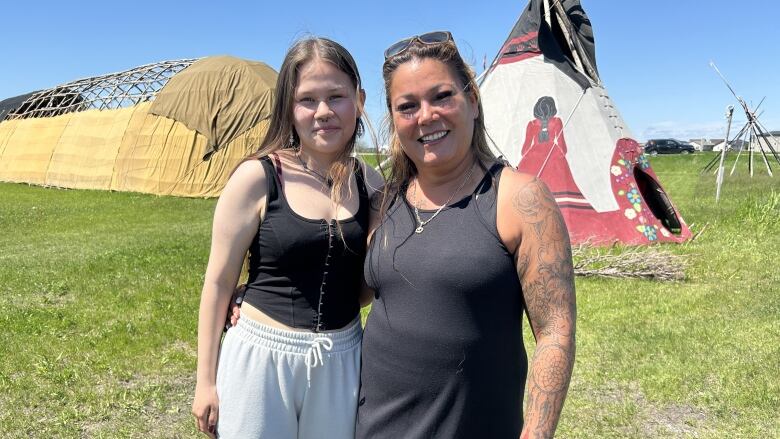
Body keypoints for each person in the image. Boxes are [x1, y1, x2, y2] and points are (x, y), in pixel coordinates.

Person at [356, 31, 577, 438]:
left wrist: (537, 432)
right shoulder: (382, 202)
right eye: (407, 106)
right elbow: (354, 297)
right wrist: (258, 293)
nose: (426, 116)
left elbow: (554, 330)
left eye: (441, 96)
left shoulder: (519, 199)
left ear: (472, 100)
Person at [192, 37, 381, 438]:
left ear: (359, 100)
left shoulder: (372, 185)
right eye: (307, 99)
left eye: (337, 96)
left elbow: (366, 285)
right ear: (288, 108)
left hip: (341, 356)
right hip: (263, 357)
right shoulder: (257, 178)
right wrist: (204, 382)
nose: (323, 112)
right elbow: (218, 281)